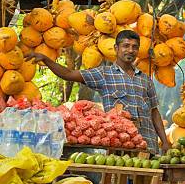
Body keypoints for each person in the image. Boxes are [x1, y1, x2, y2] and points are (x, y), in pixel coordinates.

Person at [26, 30, 170, 154]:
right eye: (126, 46)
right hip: (119, 145)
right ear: (116, 48)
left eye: (134, 47)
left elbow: (154, 112)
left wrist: (164, 141)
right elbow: (69, 74)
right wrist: (46, 60)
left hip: (147, 144)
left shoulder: (145, 79)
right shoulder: (104, 74)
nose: (130, 50)